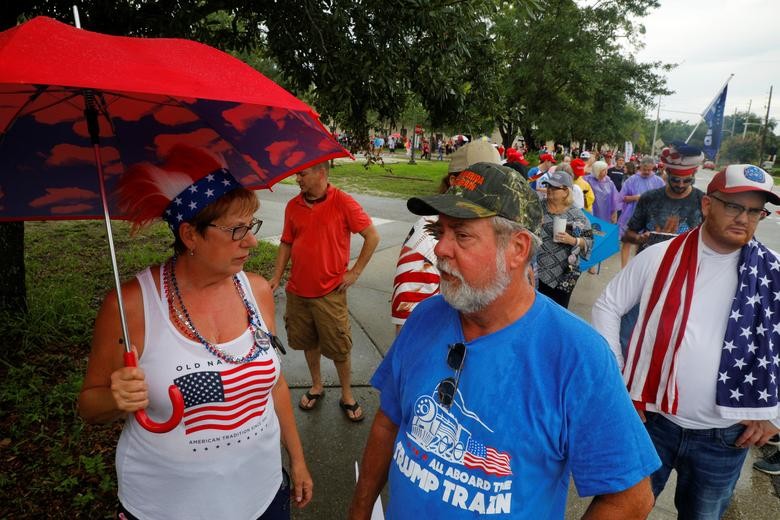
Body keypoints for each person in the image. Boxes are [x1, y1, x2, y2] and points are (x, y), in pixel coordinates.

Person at [349, 162, 659, 519]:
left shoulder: (577, 355)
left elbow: (630, 498)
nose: (441, 251)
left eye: (461, 235)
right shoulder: (425, 317)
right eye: (440, 233)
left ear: (517, 248)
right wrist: (359, 510)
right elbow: (389, 420)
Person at [78, 145, 313, 518]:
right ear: (190, 235)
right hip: (166, 507)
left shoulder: (258, 291)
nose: (251, 241)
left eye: (251, 226)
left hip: (263, 495)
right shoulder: (131, 306)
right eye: (237, 230)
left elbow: (276, 385)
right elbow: (89, 405)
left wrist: (297, 460)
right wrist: (115, 397)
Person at [592, 164, 780, 519]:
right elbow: (608, 305)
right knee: (619, 509)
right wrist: (617, 379)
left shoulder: (772, 273)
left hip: (725, 436)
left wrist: (775, 415)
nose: (744, 218)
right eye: (734, 206)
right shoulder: (660, 257)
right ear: (708, 205)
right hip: (652, 422)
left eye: (755, 211)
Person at [269, 160, 379, 422]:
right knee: (308, 342)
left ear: (321, 173)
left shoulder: (343, 202)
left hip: (330, 293)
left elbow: (372, 236)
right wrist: (276, 277)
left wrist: (354, 272)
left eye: (302, 173)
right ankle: (316, 386)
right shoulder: (293, 206)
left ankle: (347, 395)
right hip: (298, 291)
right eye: (297, 173)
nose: (298, 178)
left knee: (339, 347)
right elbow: (286, 242)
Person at [391, 141, 501, 334]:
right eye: (479, 181)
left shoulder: (492, 229)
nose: (492, 191)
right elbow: (408, 331)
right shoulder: (426, 243)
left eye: (497, 182)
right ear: (453, 182)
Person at [623, 143, 705, 253]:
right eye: (675, 180)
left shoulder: (702, 200)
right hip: (650, 263)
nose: (680, 185)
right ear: (667, 174)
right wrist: (639, 238)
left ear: (693, 176)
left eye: (687, 181)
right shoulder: (649, 198)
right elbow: (628, 235)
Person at [536, 169, 593, 308]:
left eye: (555, 187)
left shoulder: (577, 215)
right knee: (534, 309)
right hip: (536, 269)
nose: (549, 190)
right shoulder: (537, 208)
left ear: (566, 191)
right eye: (548, 186)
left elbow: (589, 241)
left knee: (558, 310)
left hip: (564, 274)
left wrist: (572, 240)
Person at [617, 156, 666, 267]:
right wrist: (635, 197)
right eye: (645, 169)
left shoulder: (658, 181)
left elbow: (664, 199)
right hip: (631, 216)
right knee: (627, 242)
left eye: (649, 169)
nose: (647, 172)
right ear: (640, 167)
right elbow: (622, 197)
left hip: (649, 217)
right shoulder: (632, 179)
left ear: (653, 168)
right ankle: (623, 269)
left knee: (642, 244)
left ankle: (635, 269)